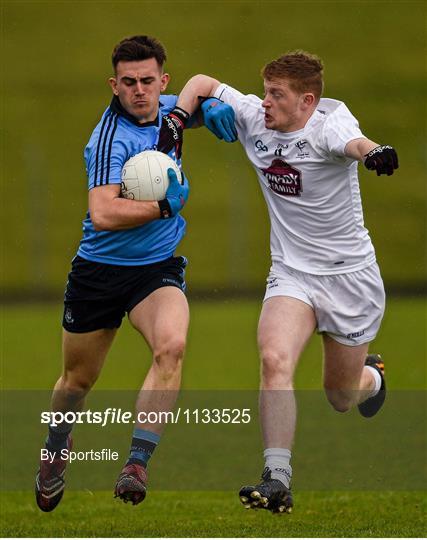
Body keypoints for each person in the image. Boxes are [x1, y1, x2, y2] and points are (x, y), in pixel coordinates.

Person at [176, 51, 398, 513]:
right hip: (292, 273)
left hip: (349, 279)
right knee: (274, 358)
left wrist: (374, 152)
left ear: (308, 101)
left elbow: (355, 143)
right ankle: (277, 478)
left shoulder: (329, 123)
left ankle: (372, 379)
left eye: (277, 95)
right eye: (266, 91)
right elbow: (201, 79)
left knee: (341, 397)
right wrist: (184, 113)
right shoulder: (259, 118)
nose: (266, 103)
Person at [35, 35, 235, 512]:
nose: (140, 90)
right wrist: (162, 206)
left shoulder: (169, 108)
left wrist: (223, 108)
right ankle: (56, 447)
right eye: (129, 82)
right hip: (100, 272)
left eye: (148, 80)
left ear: (162, 81)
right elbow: (103, 213)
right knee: (76, 383)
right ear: (115, 84)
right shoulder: (109, 139)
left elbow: (200, 86)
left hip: (155, 269)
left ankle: (136, 464)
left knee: (173, 346)